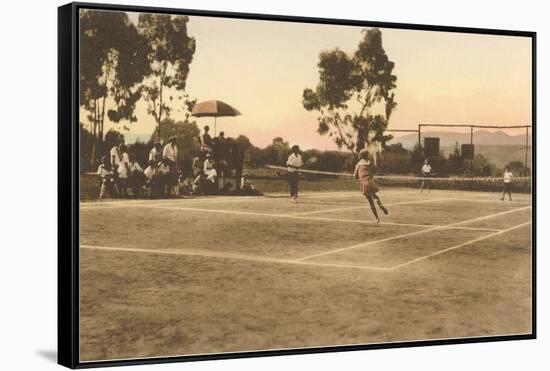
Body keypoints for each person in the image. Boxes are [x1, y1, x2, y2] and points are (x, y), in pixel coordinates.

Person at [354, 149, 388, 224]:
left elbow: (355, 175)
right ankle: (380, 205)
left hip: (363, 182)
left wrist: (359, 179)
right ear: (367, 155)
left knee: (370, 201)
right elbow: (376, 169)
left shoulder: (358, 164)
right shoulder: (369, 163)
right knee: (375, 196)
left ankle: (377, 218)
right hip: (370, 181)